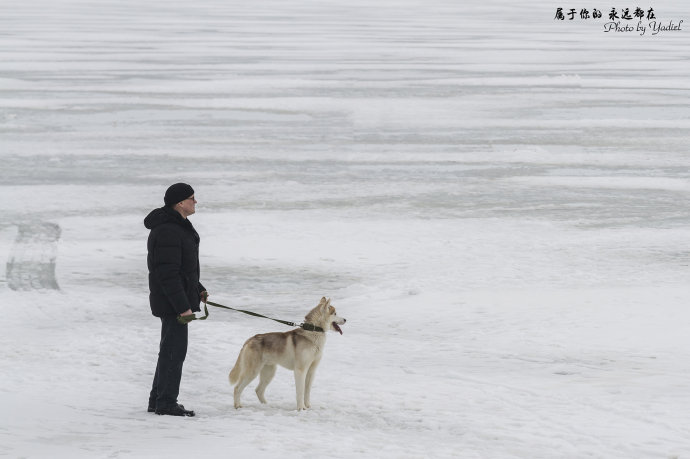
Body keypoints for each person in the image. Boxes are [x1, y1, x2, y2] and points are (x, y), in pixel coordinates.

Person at [145, 183, 208, 417]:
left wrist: (197, 289)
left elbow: (183, 269)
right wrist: (183, 307)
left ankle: (158, 400)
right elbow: (167, 274)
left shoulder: (177, 226)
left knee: (170, 350)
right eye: (192, 198)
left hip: (175, 299)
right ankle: (166, 403)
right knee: (174, 352)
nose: (195, 202)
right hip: (172, 303)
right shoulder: (168, 230)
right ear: (180, 202)